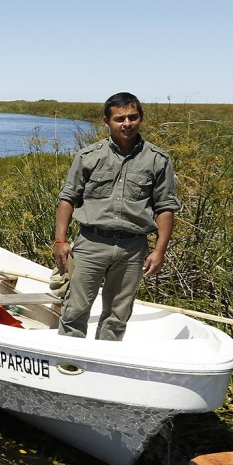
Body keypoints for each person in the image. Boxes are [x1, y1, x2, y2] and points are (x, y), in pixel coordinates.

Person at [53, 92, 180, 341]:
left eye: (133, 117)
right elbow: (68, 198)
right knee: (75, 310)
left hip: (132, 248)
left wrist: (160, 250)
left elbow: (165, 207)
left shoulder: (158, 160)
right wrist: (60, 240)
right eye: (120, 118)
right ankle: (69, 366)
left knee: (117, 315)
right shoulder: (89, 157)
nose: (127, 123)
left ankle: (104, 367)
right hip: (91, 244)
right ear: (106, 121)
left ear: (141, 118)